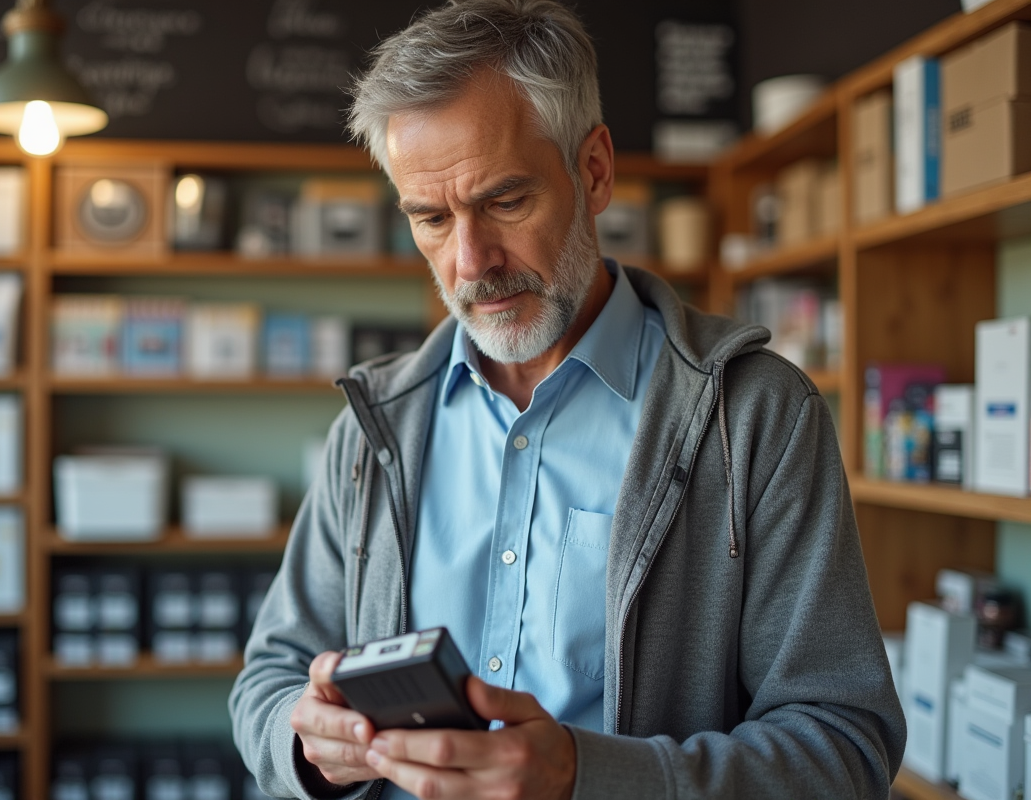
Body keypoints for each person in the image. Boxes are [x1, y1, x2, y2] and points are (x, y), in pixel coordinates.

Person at [229, 1, 905, 797]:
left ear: (594, 171)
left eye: (506, 202)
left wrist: (590, 777)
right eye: (431, 219)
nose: (471, 261)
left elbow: (844, 744)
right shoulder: (375, 425)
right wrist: (310, 745)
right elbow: (268, 679)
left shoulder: (756, 416)